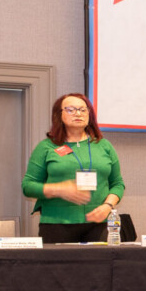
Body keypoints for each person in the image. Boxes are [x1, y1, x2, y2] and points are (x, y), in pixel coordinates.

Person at [21, 93, 127, 244]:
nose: (78, 113)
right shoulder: (46, 147)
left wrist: (107, 206)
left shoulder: (104, 145)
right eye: (71, 109)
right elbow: (28, 186)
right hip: (56, 224)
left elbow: (117, 184)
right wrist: (58, 189)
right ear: (59, 115)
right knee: (60, 268)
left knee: (98, 268)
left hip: (99, 223)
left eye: (83, 110)